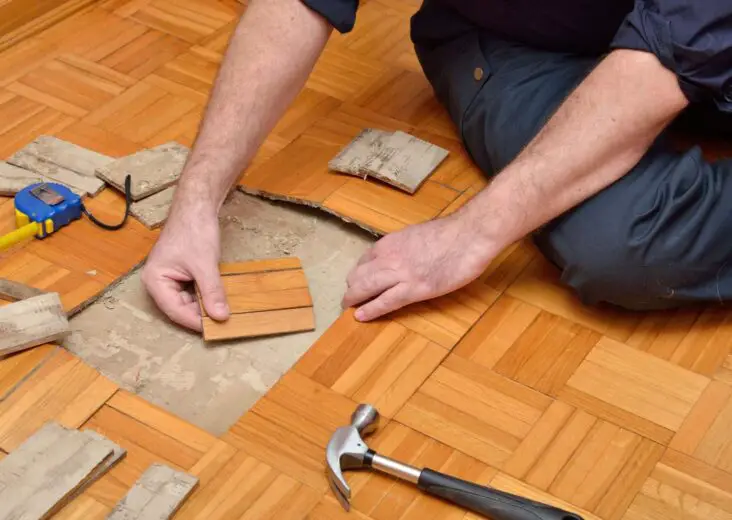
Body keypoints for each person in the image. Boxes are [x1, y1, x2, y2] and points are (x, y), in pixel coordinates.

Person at [142, 0, 732, 332]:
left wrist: (469, 234)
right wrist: (196, 200)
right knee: (626, 246)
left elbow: (671, 52)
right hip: (523, 42)